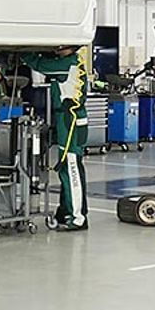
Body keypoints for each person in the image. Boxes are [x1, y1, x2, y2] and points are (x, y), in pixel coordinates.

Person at [25, 47, 90, 231]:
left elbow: (40, 65)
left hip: (70, 121)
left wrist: (24, 53)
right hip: (69, 120)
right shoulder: (72, 61)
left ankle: (78, 217)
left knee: (71, 167)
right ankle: (66, 210)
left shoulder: (66, 64)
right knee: (67, 168)